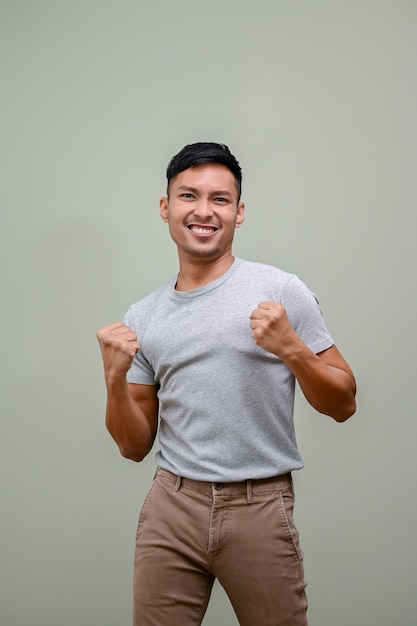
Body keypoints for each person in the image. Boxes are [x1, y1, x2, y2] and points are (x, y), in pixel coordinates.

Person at [96, 142, 356, 626]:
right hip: (171, 506)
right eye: (188, 195)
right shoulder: (144, 315)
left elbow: (344, 403)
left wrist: (291, 347)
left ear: (238, 213)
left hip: (260, 505)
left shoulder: (280, 291)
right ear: (165, 207)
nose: (203, 211)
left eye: (219, 199)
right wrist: (114, 379)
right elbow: (133, 446)